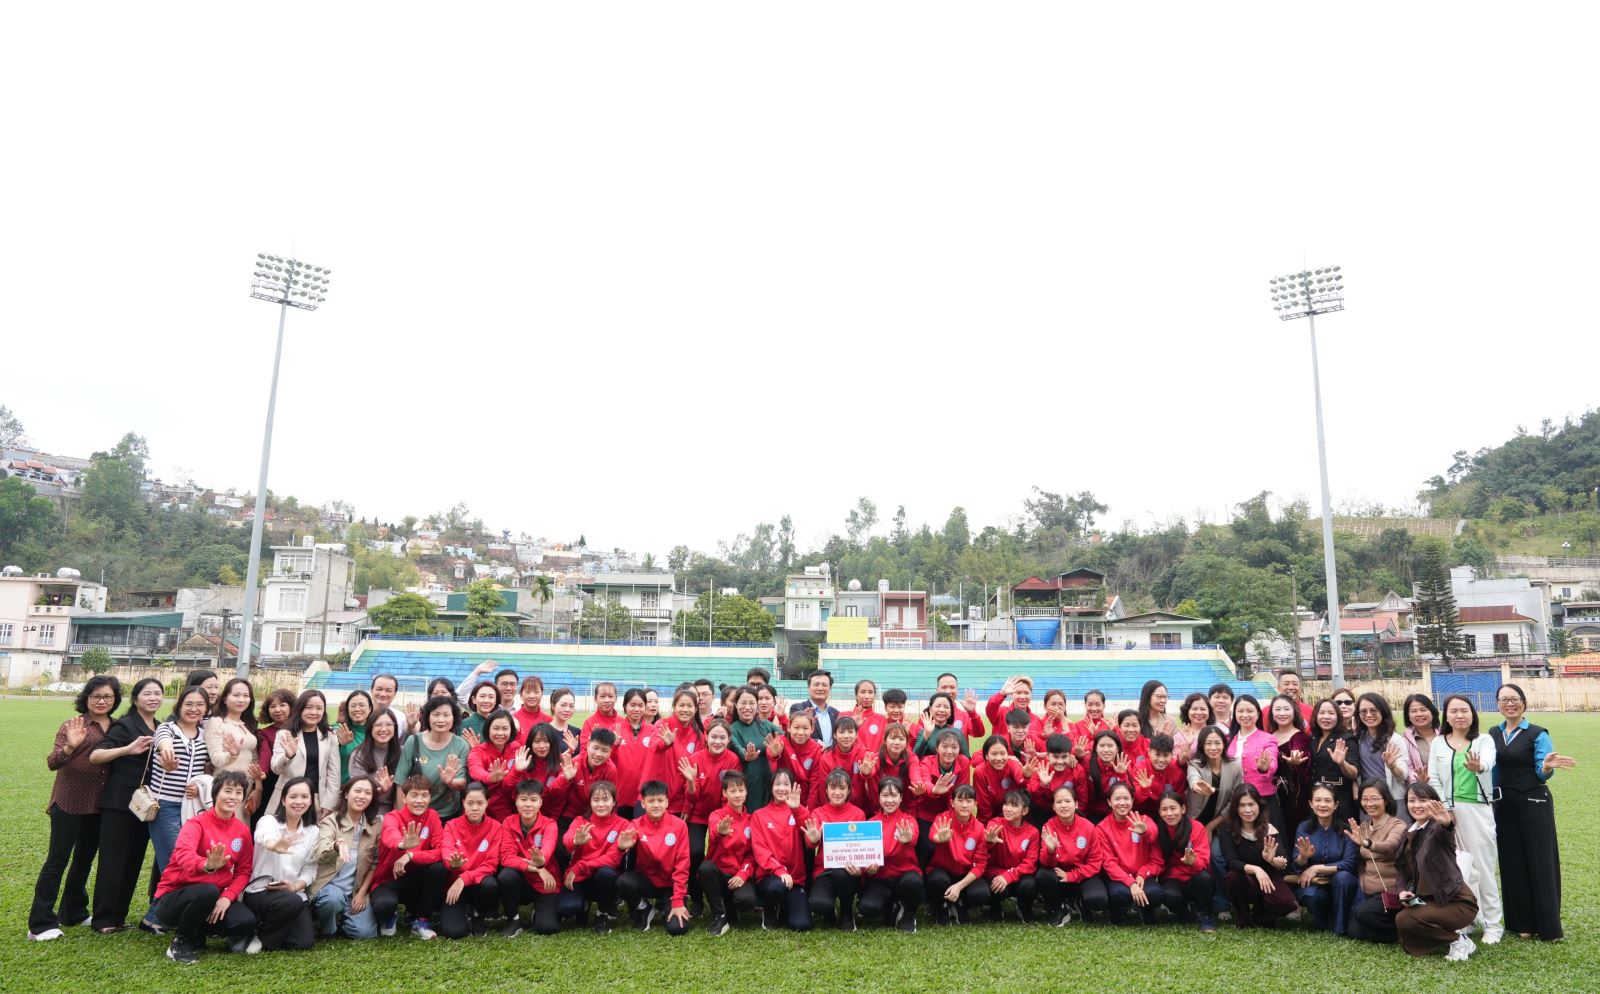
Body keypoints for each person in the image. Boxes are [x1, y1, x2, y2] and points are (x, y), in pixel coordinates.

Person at [29, 675, 118, 942]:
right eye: (96, 696)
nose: (101, 701)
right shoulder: (73, 724)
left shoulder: (118, 727)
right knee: (57, 861)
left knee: (83, 861)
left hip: (98, 805)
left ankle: (73, 912)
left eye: (107, 696)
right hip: (68, 802)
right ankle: (40, 924)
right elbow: (52, 762)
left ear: (115, 699)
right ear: (86, 698)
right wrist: (70, 746)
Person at [1489, 682, 1573, 942]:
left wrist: (1546, 767)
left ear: (1524, 703)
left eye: (1515, 699)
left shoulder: (1538, 733)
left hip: (1534, 801)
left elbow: (1542, 771)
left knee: (1541, 862)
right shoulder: (1493, 733)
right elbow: (1492, 771)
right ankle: (1521, 924)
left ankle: (1549, 927)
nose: (1510, 704)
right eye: (1504, 699)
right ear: (1497, 705)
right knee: (1511, 861)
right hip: (1504, 805)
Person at [149, 769, 257, 963]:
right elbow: (183, 856)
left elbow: (244, 871)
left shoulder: (242, 830)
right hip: (174, 898)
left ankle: (197, 930)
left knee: (245, 921)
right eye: (228, 791)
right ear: (215, 794)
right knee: (207, 891)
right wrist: (207, 865)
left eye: (238, 792)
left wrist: (227, 897)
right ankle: (180, 943)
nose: (233, 797)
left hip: (213, 897)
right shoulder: (196, 823)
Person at [89, 677, 161, 932]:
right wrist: (128, 749)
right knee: (113, 861)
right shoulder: (125, 725)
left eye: (157, 693)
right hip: (119, 803)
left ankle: (118, 917)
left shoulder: (161, 727)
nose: (153, 698)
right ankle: (103, 919)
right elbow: (96, 755)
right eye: (147, 693)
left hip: (146, 805)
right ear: (135, 699)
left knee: (133, 860)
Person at [1427, 694, 1501, 944]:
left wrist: (1479, 767)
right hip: (1447, 813)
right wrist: (1446, 810)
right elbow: (1434, 778)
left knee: (1484, 867)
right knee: (1458, 869)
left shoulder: (1484, 740)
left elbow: (1488, 761)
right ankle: (1467, 920)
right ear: (1446, 716)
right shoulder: (1439, 743)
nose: (1459, 715)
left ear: (1472, 714)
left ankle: (1493, 924)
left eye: (1464, 710)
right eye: (1454, 711)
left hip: (1477, 810)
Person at [1396, 783, 1478, 960]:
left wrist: (1446, 822)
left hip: (1457, 902)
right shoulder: (1409, 832)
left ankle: (1459, 941)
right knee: (1405, 928)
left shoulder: (1437, 828)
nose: (1417, 805)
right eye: (1412, 800)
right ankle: (1447, 936)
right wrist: (1402, 890)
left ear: (1434, 803)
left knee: (1406, 920)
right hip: (1429, 901)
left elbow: (1447, 829)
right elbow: (1401, 868)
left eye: (1423, 800)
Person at [149, 686, 212, 909]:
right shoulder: (167, 728)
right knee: (173, 862)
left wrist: (200, 786)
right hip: (165, 805)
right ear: (179, 706)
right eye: (189, 704)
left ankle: (164, 914)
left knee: (187, 860)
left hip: (192, 808)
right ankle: (157, 916)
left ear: (206, 708)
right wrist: (167, 753)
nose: (194, 709)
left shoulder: (205, 734)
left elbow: (209, 769)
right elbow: (163, 743)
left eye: (200, 705)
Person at [242, 776, 319, 952]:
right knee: (290, 902)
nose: (299, 801)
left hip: (293, 894)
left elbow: (310, 868)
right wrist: (273, 845)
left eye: (304, 797)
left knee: (303, 942)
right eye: (293, 796)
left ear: (311, 801)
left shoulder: (313, 831)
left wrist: (294, 887)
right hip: (262, 891)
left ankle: (262, 927)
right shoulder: (269, 821)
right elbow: (263, 836)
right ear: (283, 800)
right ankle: (262, 939)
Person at [369, 774, 448, 940]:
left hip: (416, 878)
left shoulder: (432, 816)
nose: (420, 800)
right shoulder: (393, 817)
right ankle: (391, 914)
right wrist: (402, 844)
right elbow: (389, 835)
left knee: (439, 869)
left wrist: (411, 855)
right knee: (384, 906)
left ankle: (421, 920)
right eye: (414, 795)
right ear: (404, 798)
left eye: (424, 795)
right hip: (389, 879)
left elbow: (441, 850)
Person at [310, 776, 381, 939]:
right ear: (347, 794)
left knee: (365, 933)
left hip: (354, 893)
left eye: (367, 793)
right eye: (358, 791)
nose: (362, 796)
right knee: (332, 900)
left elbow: (375, 863)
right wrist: (336, 846)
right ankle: (328, 928)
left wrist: (362, 893)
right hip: (329, 889)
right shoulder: (331, 821)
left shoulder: (376, 825)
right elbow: (321, 852)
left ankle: (338, 918)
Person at [1218, 784, 1296, 928]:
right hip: (1244, 878)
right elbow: (1231, 861)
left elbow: (1284, 863)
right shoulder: (1227, 828)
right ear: (1235, 808)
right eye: (1242, 805)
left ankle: (1261, 914)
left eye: (1251, 804)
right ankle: (1243, 916)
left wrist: (1272, 860)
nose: (1247, 810)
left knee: (1287, 903)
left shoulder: (1269, 829)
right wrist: (1256, 869)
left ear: (1259, 805)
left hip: (1269, 879)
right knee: (1232, 878)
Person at [496, 779, 565, 937]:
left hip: (545, 881)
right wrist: (538, 868)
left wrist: (542, 862)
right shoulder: (508, 822)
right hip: (522, 879)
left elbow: (547, 849)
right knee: (506, 875)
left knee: (548, 927)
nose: (528, 805)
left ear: (540, 802)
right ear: (516, 801)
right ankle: (513, 919)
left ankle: (538, 913)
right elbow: (506, 857)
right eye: (523, 799)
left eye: (533, 800)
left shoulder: (550, 824)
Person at [1090, 781, 1164, 925]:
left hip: (1142, 876)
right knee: (1120, 895)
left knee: (1155, 894)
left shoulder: (1143, 820)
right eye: (1117, 799)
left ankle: (1145, 909)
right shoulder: (1102, 828)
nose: (1122, 803)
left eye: (1126, 798)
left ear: (1132, 800)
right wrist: (1131, 883)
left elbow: (1154, 838)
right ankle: (1116, 910)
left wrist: (1145, 832)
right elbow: (1108, 863)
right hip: (1119, 877)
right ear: (1109, 802)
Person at [437, 782, 504, 939]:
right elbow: (447, 851)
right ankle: (460, 912)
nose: (475, 808)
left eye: (480, 803)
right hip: (455, 887)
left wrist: (464, 878)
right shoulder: (451, 825)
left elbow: (491, 865)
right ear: (463, 803)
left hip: (478, 884)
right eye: (470, 803)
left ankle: (478, 915)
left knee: (490, 885)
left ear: (487, 803)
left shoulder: (496, 827)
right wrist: (452, 864)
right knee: (454, 932)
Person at [803, 769, 867, 931]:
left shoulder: (858, 814)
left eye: (842, 788)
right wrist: (814, 839)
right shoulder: (817, 813)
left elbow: (864, 849)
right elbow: (811, 844)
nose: (837, 792)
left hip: (849, 872)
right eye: (833, 788)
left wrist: (861, 869)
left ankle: (846, 912)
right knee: (819, 904)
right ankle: (829, 910)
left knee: (841, 874)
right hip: (824, 871)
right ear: (826, 790)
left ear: (849, 791)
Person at [857, 778, 923, 933]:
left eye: (894, 795)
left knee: (913, 882)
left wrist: (908, 838)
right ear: (879, 797)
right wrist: (868, 870)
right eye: (885, 795)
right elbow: (865, 855)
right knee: (867, 908)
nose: (889, 800)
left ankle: (909, 915)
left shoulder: (908, 820)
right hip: (881, 878)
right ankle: (892, 907)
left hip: (904, 876)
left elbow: (913, 836)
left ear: (901, 798)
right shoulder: (871, 823)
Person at [749, 768, 811, 931]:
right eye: (777, 784)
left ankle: (784, 907)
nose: (781, 788)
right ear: (771, 787)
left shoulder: (799, 811)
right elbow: (760, 850)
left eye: (786, 784)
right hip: (770, 877)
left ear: (792, 787)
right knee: (777, 887)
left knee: (801, 925)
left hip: (794, 880)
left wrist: (797, 809)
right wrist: (780, 870)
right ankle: (770, 907)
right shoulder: (759, 815)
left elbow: (811, 838)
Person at [1291, 783, 1358, 935]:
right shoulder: (1303, 828)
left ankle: (1340, 927)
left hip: (1340, 884)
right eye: (1318, 800)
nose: (1322, 805)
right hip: (1314, 884)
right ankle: (1323, 921)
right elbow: (1296, 864)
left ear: (1336, 805)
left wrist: (1317, 868)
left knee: (1343, 878)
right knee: (1311, 896)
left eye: (1327, 801)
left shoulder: (1346, 830)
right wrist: (1303, 857)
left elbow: (1350, 864)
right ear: (1311, 803)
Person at [562, 780, 627, 934]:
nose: (601, 804)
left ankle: (602, 913)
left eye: (605, 799)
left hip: (602, 878)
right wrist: (576, 842)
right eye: (596, 800)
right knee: (567, 909)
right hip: (580, 878)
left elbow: (613, 858)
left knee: (606, 873)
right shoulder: (580, 821)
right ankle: (584, 904)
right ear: (590, 802)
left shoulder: (623, 825)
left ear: (614, 802)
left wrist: (580, 866)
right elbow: (566, 841)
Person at [1346, 780, 1406, 944]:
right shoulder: (1363, 827)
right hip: (1369, 893)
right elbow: (1360, 859)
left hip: (1390, 893)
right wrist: (1361, 875)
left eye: (1374, 798)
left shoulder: (1397, 825)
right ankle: (1395, 931)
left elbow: (1390, 847)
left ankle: (1403, 930)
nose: (1369, 803)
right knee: (1353, 930)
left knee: (1362, 913)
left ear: (1385, 800)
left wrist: (1367, 843)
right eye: (1365, 799)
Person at [700, 770, 758, 935]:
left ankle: (731, 906)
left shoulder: (751, 820)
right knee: (705, 868)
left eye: (741, 790)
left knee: (747, 901)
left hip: (737, 875)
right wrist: (719, 831)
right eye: (732, 791)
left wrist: (742, 874)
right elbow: (713, 830)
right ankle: (719, 915)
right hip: (718, 875)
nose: (737, 795)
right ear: (725, 793)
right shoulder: (717, 815)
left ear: (746, 792)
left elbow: (752, 855)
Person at [394, 695, 471, 821]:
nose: (441, 719)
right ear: (428, 717)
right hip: (415, 812)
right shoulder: (414, 741)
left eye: (446, 715)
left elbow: (462, 782)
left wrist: (450, 782)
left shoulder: (461, 745)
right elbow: (400, 781)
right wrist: (402, 818)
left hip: (447, 815)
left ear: (454, 718)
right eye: (436, 714)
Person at [267, 690, 341, 817]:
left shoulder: (330, 737)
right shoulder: (285, 734)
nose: (313, 712)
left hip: (316, 800)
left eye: (319, 708)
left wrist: (329, 804)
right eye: (308, 707)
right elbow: (276, 769)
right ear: (300, 709)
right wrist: (288, 756)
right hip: (287, 799)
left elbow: (334, 774)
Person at [1037, 785, 1102, 927]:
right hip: (1058, 877)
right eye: (1059, 802)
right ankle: (1059, 909)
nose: (1063, 805)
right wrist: (1051, 851)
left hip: (1082, 875)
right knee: (1043, 875)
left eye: (1067, 801)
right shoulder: (1049, 826)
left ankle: (1079, 902)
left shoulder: (1088, 827)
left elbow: (1095, 862)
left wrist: (1072, 875)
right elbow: (1045, 862)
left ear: (1076, 804)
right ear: (1053, 807)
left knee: (1098, 899)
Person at [925, 784, 990, 925]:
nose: (964, 805)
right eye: (960, 800)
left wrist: (959, 886)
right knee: (937, 880)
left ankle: (960, 904)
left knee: (982, 894)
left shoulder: (979, 827)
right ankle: (942, 906)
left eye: (969, 801)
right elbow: (932, 836)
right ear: (952, 803)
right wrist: (940, 838)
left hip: (964, 874)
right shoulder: (943, 818)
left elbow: (980, 865)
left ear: (975, 804)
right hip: (943, 871)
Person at [1154, 788, 1215, 931]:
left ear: (1183, 809)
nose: (1169, 813)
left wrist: (1193, 862)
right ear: (1159, 812)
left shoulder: (1196, 827)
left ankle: (1205, 915)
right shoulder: (1158, 830)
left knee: (1204, 879)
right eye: (1164, 809)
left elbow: (1204, 861)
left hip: (1195, 875)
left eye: (1173, 808)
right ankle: (1183, 911)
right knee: (1169, 895)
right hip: (1172, 877)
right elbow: (1157, 860)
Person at [1228, 695, 1284, 837]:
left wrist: (1264, 768)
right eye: (1240, 711)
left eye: (1250, 711)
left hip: (1262, 800)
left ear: (1258, 714)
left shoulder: (1268, 738)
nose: (1245, 715)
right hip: (1236, 800)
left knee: (1269, 842)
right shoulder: (1228, 740)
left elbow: (1272, 761)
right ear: (1234, 714)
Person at [983, 790, 1040, 923]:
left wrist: (1008, 875)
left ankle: (1024, 908)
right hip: (996, 873)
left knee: (1029, 885)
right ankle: (995, 907)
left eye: (1014, 805)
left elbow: (1030, 863)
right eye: (1006, 804)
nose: (1008, 809)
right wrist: (989, 842)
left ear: (1024, 811)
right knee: (996, 886)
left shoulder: (1033, 832)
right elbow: (984, 853)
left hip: (1019, 874)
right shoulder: (995, 824)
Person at [649, 688, 706, 815]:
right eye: (681, 705)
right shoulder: (662, 724)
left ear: (695, 709)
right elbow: (654, 746)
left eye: (689, 706)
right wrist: (665, 743)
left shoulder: (699, 736)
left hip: (680, 803)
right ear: (674, 707)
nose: (685, 709)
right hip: (657, 797)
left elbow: (695, 775)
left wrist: (687, 805)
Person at [205, 679, 259, 810]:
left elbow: (254, 760)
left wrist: (258, 788)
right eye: (236, 695)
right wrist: (232, 755)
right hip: (226, 787)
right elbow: (216, 759)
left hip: (247, 787)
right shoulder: (217, 722)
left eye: (246, 696)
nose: (241, 700)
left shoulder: (248, 725)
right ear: (225, 699)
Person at [1308, 698, 1361, 825]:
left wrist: (1342, 763)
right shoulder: (1313, 738)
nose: (1326, 717)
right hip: (1317, 799)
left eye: (1331, 713)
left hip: (1339, 800)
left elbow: (1354, 773)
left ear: (1338, 717)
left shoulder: (1346, 739)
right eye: (1322, 713)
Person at [728, 684, 781, 808]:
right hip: (747, 783)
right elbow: (738, 748)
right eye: (743, 703)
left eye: (752, 703)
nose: (747, 707)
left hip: (767, 781)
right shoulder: (732, 729)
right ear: (736, 705)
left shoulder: (766, 725)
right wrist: (747, 756)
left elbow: (788, 737)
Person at [1267, 694, 1312, 836]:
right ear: (1272, 713)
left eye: (1286, 709)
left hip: (1295, 797)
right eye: (1277, 709)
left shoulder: (1299, 736)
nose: (1282, 713)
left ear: (1294, 712)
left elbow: (1299, 749)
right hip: (1274, 796)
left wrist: (1296, 759)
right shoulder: (1269, 736)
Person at [609, 688, 656, 816]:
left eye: (640, 705)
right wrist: (614, 746)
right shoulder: (615, 729)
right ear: (625, 706)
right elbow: (607, 760)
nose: (636, 709)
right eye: (632, 705)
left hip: (643, 794)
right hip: (620, 793)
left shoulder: (652, 730)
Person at [467, 710, 520, 820]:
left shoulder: (516, 748)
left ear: (511, 730)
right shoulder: (478, 750)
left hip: (513, 807)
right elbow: (475, 770)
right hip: (485, 810)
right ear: (488, 729)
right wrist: (490, 778)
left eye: (505, 729)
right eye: (496, 728)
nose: (500, 733)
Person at [348, 709, 402, 817]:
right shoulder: (358, 755)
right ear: (370, 728)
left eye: (389, 724)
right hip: (366, 812)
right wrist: (381, 790)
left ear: (395, 728)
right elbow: (358, 792)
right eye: (378, 725)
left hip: (396, 812)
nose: (383, 729)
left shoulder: (403, 753)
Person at [254, 689, 297, 826]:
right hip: (272, 782)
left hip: (298, 782)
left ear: (291, 707)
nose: (277, 710)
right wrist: (263, 771)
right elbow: (265, 753)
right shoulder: (264, 732)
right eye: (273, 706)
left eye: (282, 705)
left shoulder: (302, 729)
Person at [809, 716, 865, 810]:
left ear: (856, 734)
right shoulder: (826, 758)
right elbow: (823, 789)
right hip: (833, 808)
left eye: (850, 732)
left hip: (860, 808)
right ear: (834, 734)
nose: (846, 736)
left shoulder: (863, 753)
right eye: (842, 732)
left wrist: (867, 773)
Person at [972, 735, 1030, 823]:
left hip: (1012, 815)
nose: (999, 758)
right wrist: (987, 825)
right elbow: (983, 805)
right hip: (989, 817)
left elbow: (1020, 780)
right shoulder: (980, 772)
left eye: (1002, 753)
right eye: (994, 754)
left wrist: (1025, 776)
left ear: (1008, 754)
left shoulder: (1012, 764)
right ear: (986, 756)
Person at [791, 670, 839, 746]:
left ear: (830, 688)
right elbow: (793, 737)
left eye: (824, 685)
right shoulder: (798, 709)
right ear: (808, 687)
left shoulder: (836, 713)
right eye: (816, 684)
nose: (820, 688)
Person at [933, 672, 987, 738]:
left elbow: (979, 734)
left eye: (952, 687)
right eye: (944, 687)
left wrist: (972, 713)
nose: (948, 691)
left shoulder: (964, 716)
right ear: (937, 690)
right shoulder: (926, 717)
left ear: (957, 690)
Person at [333, 690, 372, 782]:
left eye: (362, 705)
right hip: (340, 786)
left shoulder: (375, 732)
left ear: (370, 708)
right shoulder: (338, 730)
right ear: (347, 709)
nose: (357, 709)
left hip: (366, 787)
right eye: (353, 706)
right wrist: (338, 743)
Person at [1402, 693, 1439, 783]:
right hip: (1421, 788)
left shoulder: (1446, 735)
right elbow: (1408, 768)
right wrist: (1419, 781)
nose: (1419, 714)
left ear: (1432, 712)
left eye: (1423, 710)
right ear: (1408, 716)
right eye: (1414, 711)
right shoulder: (1404, 740)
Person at [1172, 693, 1213, 765]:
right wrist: (1185, 753)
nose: (1199, 712)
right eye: (1194, 709)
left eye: (1203, 709)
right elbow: (1175, 762)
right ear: (1187, 711)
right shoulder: (1179, 736)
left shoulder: (1215, 732)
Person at [1070, 689, 1112, 756]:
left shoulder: (1110, 725)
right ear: (1085, 705)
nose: (1094, 708)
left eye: (1098, 705)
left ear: (1104, 706)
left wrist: (1114, 731)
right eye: (1090, 705)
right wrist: (1090, 735)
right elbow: (1074, 749)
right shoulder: (1077, 726)